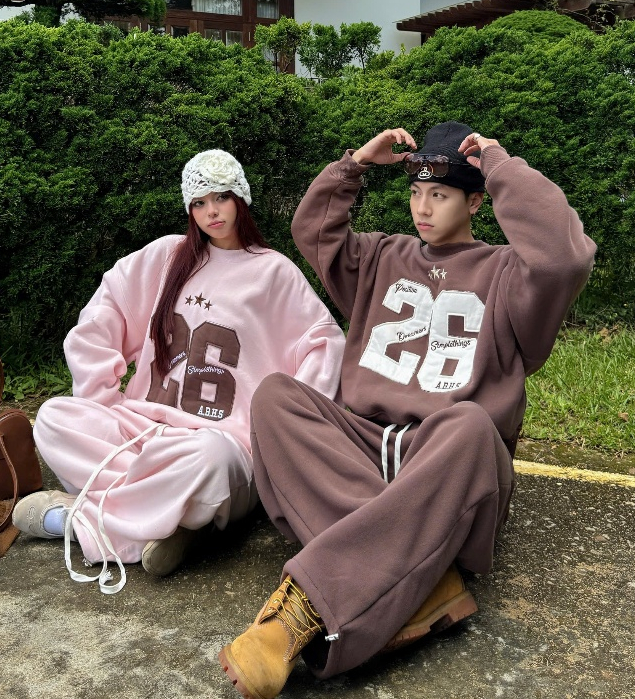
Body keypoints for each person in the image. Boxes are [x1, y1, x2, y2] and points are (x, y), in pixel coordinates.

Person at [218, 122, 596, 697]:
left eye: (439, 194)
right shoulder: (379, 256)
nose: (422, 207)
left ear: (475, 201)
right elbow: (312, 228)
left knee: (471, 424)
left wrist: (499, 164)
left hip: (446, 464)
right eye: (416, 192)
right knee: (275, 397)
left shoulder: (509, 275)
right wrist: (355, 166)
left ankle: (303, 611)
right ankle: (426, 581)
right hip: (364, 448)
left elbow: (563, 258)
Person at [12, 149, 345, 594]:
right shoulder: (166, 257)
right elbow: (100, 319)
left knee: (211, 462)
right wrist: (103, 400)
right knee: (54, 418)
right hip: (144, 429)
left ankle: (80, 518)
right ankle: (172, 520)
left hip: (219, 443)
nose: (212, 212)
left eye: (221, 198)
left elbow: (324, 343)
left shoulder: (274, 272)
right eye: (199, 203)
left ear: (240, 199)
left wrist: (282, 438)